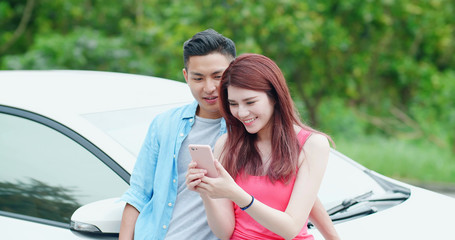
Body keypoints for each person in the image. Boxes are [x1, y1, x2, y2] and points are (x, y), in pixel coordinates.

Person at [186, 53, 340, 240]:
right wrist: (206, 192)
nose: (241, 113)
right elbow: (224, 233)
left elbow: (290, 228)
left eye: (250, 102)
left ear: (274, 96)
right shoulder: (226, 145)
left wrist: (237, 194)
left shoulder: (311, 145)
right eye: (233, 104)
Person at [119, 29, 236, 240]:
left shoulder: (248, 129)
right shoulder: (164, 124)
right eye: (198, 78)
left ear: (233, 72)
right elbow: (138, 194)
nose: (209, 88)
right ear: (186, 76)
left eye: (218, 76)